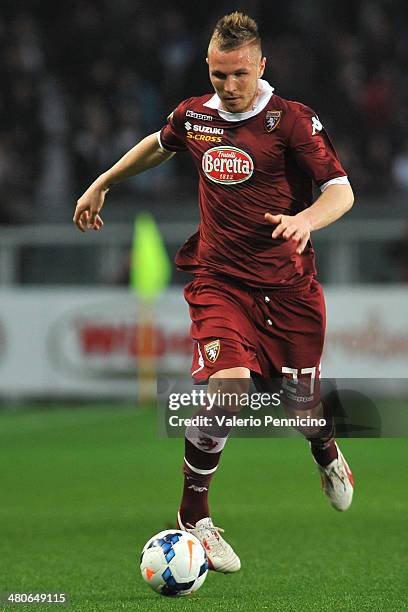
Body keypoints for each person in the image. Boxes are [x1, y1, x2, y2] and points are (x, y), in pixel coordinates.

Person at [74, 12, 355, 574]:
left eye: (240, 75)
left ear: (261, 67)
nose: (228, 88)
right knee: (229, 386)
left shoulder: (292, 121)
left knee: (302, 405)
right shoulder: (196, 116)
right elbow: (159, 144)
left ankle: (325, 451)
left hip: (288, 289)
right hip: (219, 280)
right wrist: (102, 182)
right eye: (219, 75)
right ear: (209, 66)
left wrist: (306, 221)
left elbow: (340, 191)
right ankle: (194, 514)